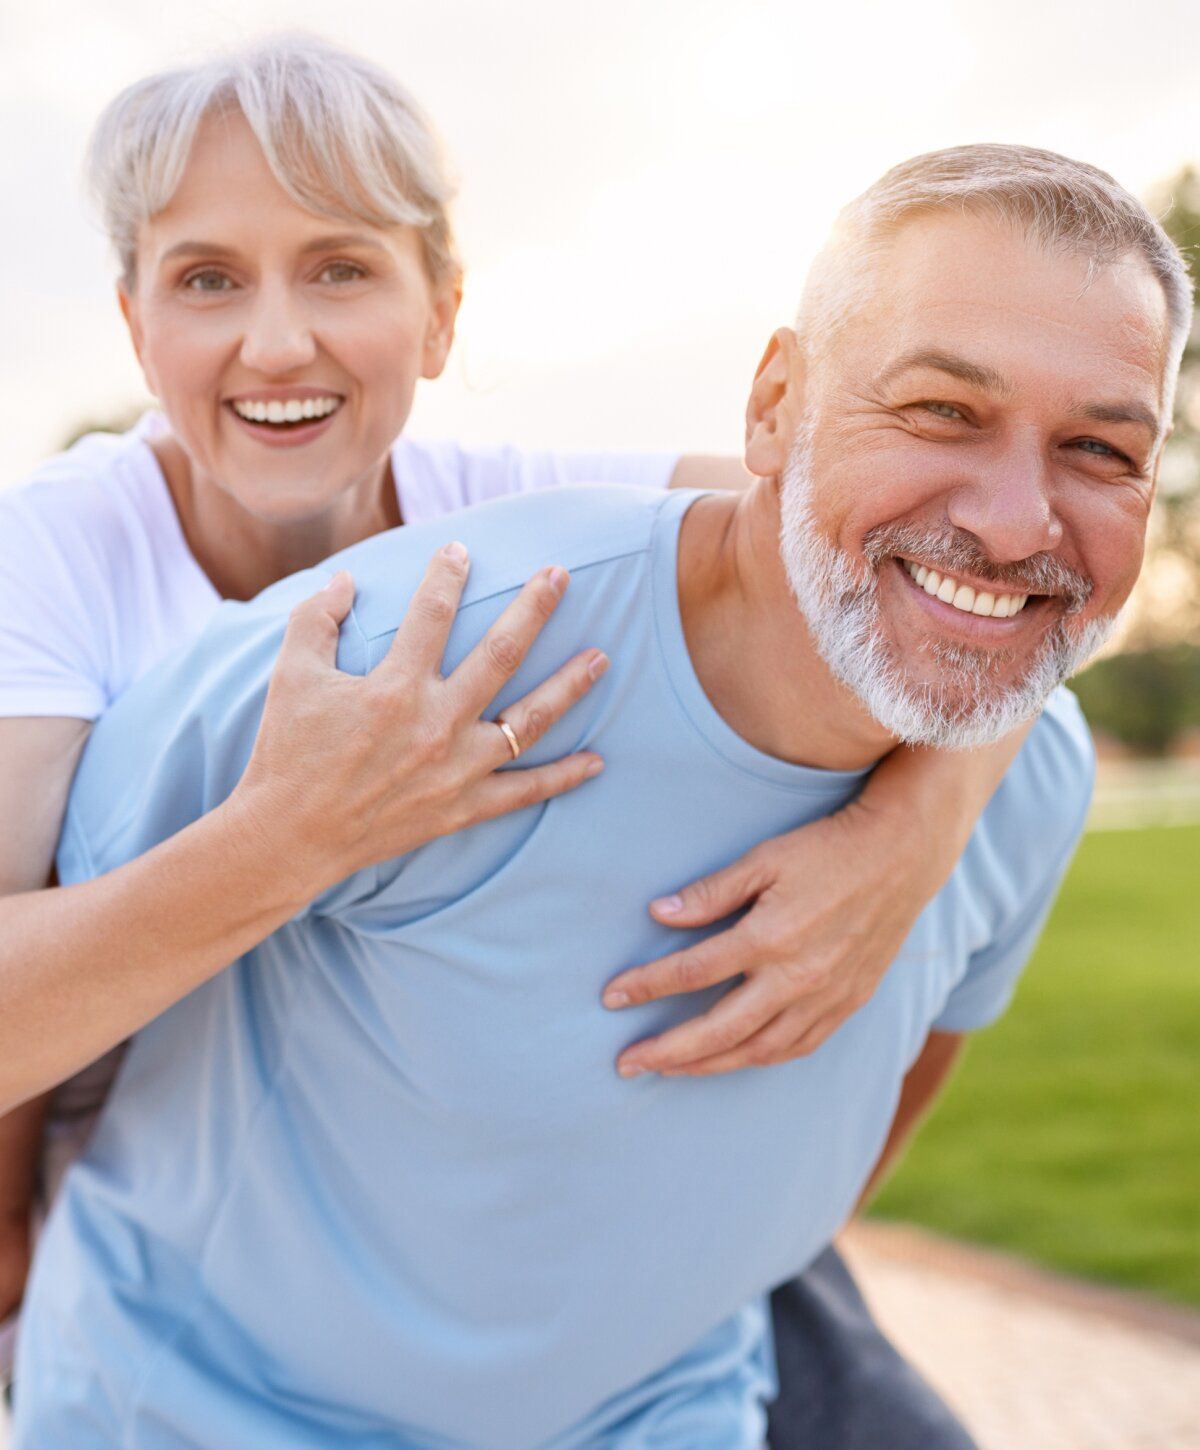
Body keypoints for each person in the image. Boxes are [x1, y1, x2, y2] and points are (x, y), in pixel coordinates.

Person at [12, 139, 1186, 1448]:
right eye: (941, 412)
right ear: (775, 406)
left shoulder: (1018, 779)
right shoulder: (384, 664)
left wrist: (917, 824)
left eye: (1100, 448)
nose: (1022, 521)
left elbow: (846, 1144)